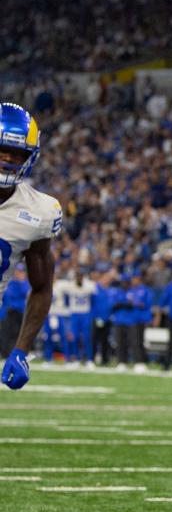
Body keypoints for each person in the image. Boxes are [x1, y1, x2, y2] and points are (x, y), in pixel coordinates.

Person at [0, 103, 61, 390]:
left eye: (17, 153)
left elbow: (42, 287)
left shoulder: (39, 212)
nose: (8, 159)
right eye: (2, 150)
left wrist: (21, 349)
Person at [66, 270, 96, 368]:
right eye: (77, 275)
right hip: (74, 313)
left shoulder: (89, 285)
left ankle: (89, 359)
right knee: (74, 338)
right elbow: (66, 300)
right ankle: (76, 359)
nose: (79, 277)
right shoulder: (70, 286)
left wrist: (91, 313)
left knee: (87, 337)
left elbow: (93, 300)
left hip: (85, 313)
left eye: (80, 275)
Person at [0, 264, 29, 357]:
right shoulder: (10, 283)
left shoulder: (25, 283)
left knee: (18, 334)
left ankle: (15, 353)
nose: (19, 273)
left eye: (21, 271)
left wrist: (21, 282)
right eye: (18, 271)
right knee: (6, 334)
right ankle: (5, 353)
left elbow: (26, 293)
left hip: (21, 313)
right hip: (8, 313)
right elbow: (7, 296)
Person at [45, 269, 72, 362]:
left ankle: (67, 358)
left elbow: (73, 289)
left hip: (60, 314)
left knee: (64, 337)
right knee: (48, 337)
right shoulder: (45, 285)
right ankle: (48, 358)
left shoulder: (62, 284)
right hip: (49, 314)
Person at [91, 271, 116, 366]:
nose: (107, 280)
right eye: (105, 278)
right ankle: (91, 358)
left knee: (105, 340)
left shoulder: (111, 290)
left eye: (109, 279)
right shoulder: (95, 289)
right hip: (96, 318)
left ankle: (105, 359)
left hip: (107, 319)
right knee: (94, 339)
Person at [129, 270, 152, 372]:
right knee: (135, 340)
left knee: (138, 340)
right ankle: (142, 361)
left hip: (141, 318)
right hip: (132, 318)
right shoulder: (131, 290)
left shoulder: (145, 290)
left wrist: (135, 303)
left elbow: (147, 304)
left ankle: (140, 361)